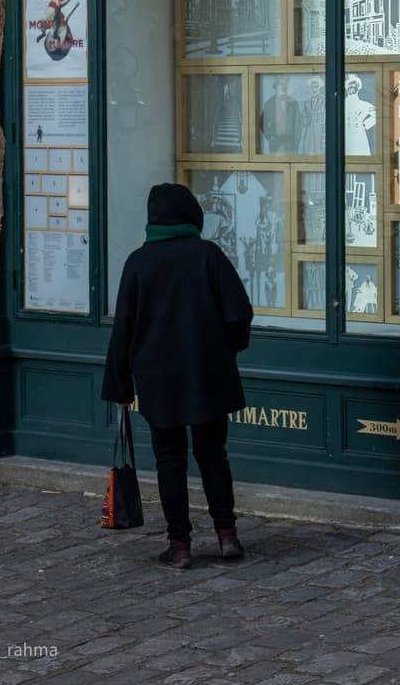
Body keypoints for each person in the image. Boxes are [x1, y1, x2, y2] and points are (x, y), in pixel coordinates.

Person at [101, 183, 254, 571]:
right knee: (213, 455)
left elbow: (123, 329)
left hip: (159, 379)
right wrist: (228, 348)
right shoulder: (208, 255)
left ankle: (180, 545)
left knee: (170, 461)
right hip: (208, 374)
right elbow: (239, 313)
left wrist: (120, 384)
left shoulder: (138, 262)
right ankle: (226, 535)